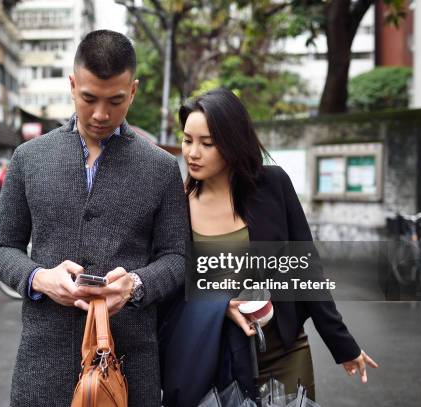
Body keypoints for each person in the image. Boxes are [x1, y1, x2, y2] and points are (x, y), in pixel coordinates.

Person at [0, 30, 188, 407]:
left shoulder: (161, 168)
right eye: (88, 98)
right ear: (72, 84)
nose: (101, 114)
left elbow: (178, 257)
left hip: (129, 366)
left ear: (133, 90)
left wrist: (135, 285)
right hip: (42, 364)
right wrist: (39, 278)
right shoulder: (30, 158)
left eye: (115, 101)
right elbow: (1, 247)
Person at [159, 88, 378, 406]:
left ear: (233, 143)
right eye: (187, 140)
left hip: (284, 350)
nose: (192, 153)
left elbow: (307, 270)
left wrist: (343, 344)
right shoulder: (178, 204)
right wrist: (222, 306)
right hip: (219, 355)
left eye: (207, 143)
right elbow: (173, 286)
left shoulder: (273, 186)